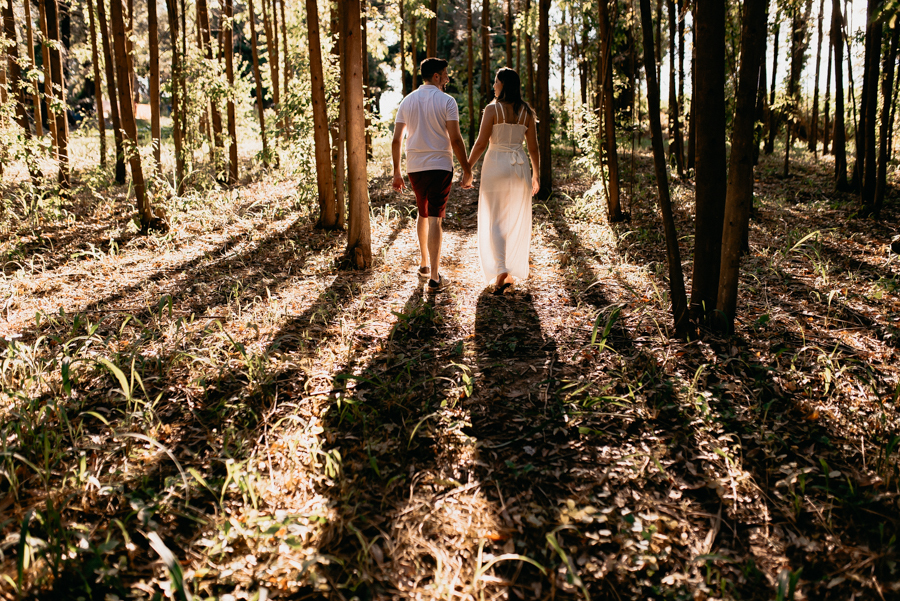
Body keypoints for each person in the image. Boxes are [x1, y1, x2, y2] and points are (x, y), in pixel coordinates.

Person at [392, 58, 473, 293]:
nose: (448, 78)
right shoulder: (447, 101)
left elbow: (397, 139)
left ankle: (424, 264)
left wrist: (397, 172)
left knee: (422, 212)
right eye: (445, 74)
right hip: (439, 165)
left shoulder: (407, 101)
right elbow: (456, 139)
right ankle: (435, 277)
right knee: (436, 217)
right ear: (436, 76)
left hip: (414, 167)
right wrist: (467, 169)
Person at [466, 68, 539, 294]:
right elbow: (534, 147)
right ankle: (507, 272)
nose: (493, 86)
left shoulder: (492, 109)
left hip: (496, 165)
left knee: (495, 219)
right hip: (519, 168)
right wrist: (537, 174)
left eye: (496, 82)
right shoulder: (526, 112)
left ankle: (501, 270)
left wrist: (467, 168)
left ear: (503, 85)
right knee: (513, 218)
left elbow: (480, 144)